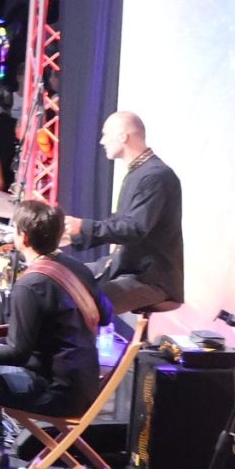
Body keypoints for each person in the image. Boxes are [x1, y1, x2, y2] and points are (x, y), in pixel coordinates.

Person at [0, 198, 113, 418]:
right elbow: (105, 315)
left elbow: (17, 353)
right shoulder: (77, 268)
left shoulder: (29, 285)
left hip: (56, 394)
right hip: (85, 389)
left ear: (23, 237)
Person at [63, 111, 184, 317]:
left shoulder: (156, 176)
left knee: (78, 308)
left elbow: (134, 229)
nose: (102, 141)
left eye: (105, 134)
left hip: (149, 277)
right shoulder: (139, 172)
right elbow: (121, 225)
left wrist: (83, 227)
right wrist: (71, 235)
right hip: (127, 266)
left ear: (123, 136)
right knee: (61, 280)